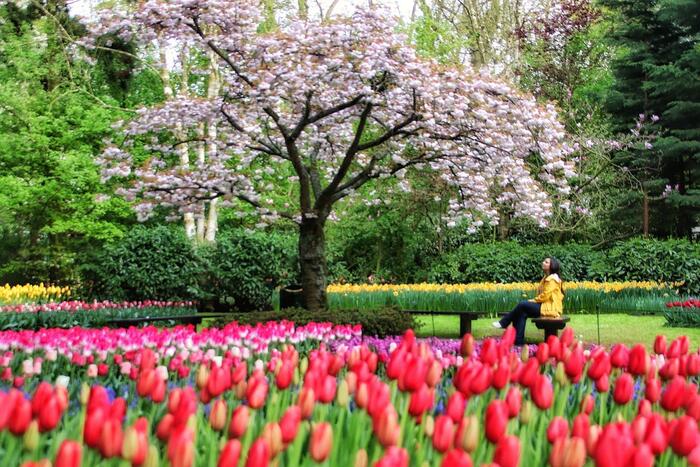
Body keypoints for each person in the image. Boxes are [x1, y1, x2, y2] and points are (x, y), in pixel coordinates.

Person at [492, 257, 564, 346]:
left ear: (552, 266)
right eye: (544, 261)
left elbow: (545, 295)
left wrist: (534, 300)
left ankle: (504, 322)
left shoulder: (553, 279)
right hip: (544, 305)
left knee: (522, 305)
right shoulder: (546, 277)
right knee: (521, 313)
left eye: (546, 262)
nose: (543, 262)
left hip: (550, 308)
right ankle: (518, 342)